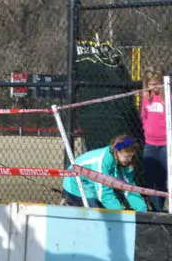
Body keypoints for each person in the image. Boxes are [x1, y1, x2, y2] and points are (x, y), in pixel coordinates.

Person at [61, 135, 147, 212]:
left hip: (93, 188)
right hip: (76, 187)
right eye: (127, 156)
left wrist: (142, 211)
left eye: (132, 156)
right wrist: (120, 214)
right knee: (98, 216)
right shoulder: (101, 162)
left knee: (108, 210)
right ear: (117, 152)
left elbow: (129, 188)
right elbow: (104, 193)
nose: (130, 159)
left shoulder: (126, 163)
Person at [140, 68, 167, 211]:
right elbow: (143, 117)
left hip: (165, 145)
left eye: (157, 83)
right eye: (151, 84)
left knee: (163, 177)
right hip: (150, 144)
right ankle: (155, 207)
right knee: (150, 177)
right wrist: (146, 130)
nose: (154, 87)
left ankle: (161, 207)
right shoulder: (146, 98)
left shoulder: (167, 97)